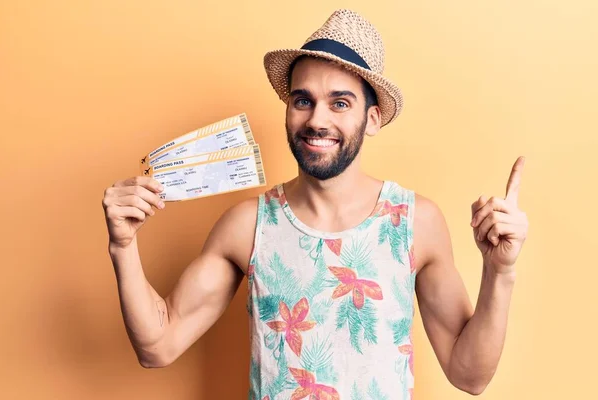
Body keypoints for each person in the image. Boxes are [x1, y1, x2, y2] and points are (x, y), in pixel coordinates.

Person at [102, 9, 528, 399]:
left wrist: (500, 272)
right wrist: (123, 246)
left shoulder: (416, 222)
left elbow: (469, 375)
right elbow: (158, 346)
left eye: (339, 103)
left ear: (373, 118)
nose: (317, 120)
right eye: (303, 100)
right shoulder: (247, 226)